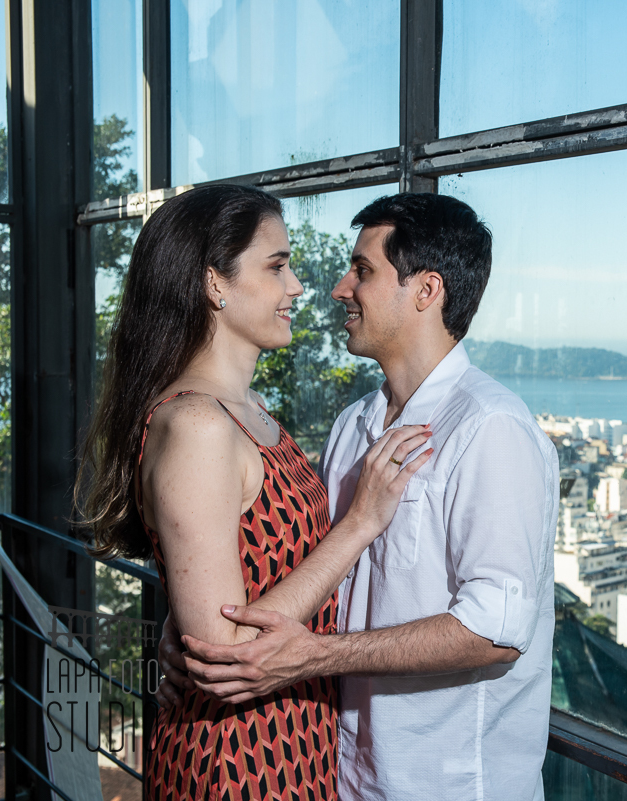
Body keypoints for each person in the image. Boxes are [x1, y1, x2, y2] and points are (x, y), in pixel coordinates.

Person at [157, 193, 560, 799]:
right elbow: (304, 560)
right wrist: (194, 615)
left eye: (363, 271)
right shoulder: (352, 426)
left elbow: (496, 630)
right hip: (339, 773)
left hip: (446, 786)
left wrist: (316, 657)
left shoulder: (490, 428)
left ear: (427, 291)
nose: (340, 287)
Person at [76, 184, 432, 800]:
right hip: (238, 759)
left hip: (296, 739)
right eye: (276, 266)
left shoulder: (247, 411)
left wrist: (183, 621)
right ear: (215, 283)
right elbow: (225, 652)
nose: (297, 286)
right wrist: (359, 524)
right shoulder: (198, 426)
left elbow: (238, 576)